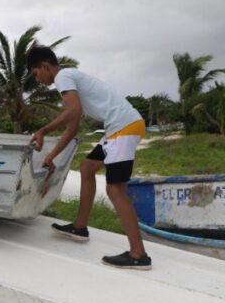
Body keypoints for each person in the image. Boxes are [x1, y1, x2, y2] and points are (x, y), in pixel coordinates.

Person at [26, 45, 151, 270]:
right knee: (87, 168)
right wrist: (51, 156)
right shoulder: (71, 80)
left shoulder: (63, 76)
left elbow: (72, 112)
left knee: (115, 189)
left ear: (45, 66)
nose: (38, 79)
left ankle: (138, 254)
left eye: (36, 74)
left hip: (124, 127)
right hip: (118, 129)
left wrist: (43, 130)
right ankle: (80, 227)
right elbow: (73, 127)